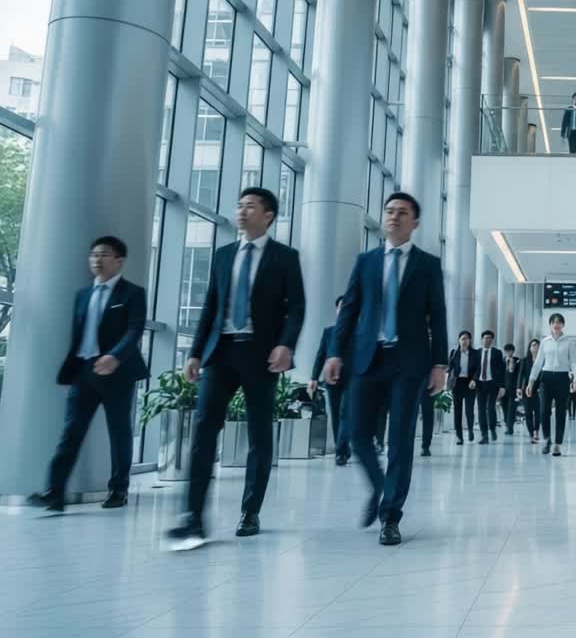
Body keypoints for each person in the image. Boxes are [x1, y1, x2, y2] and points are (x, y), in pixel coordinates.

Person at [167, 187, 306, 550]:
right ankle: (193, 517)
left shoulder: (285, 257)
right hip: (220, 353)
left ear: (268, 215)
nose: (242, 211)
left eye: (250, 207)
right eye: (240, 206)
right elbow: (210, 307)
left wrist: (285, 344)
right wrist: (195, 353)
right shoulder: (223, 255)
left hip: (261, 355)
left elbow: (296, 308)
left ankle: (250, 511)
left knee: (259, 436)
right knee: (203, 433)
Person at [323, 192, 447, 546]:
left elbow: (438, 316)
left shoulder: (427, 264)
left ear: (415, 223)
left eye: (402, 212)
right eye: (389, 211)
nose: (394, 216)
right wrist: (335, 353)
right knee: (356, 433)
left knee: (400, 440)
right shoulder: (366, 261)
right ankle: (380, 486)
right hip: (368, 358)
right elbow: (349, 310)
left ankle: (391, 516)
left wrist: (440, 363)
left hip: (409, 362)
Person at [28, 236, 147, 512]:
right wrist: (70, 374)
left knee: (119, 432)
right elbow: (78, 337)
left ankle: (118, 490)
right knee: (71, 432)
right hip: (84, 372)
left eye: (104, 254)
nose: (97, 260)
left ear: (119, 260)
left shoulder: (132, 293)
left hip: (117, 372)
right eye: (93, 255)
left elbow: (135, 329)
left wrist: (114, 356)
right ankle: (55, 492)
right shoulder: (83, 295)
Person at [310, 297, 351, 465]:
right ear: (336, 309)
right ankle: (341, 447)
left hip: (350, 379)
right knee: (335, 414)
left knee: (345, 413)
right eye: (340, 307)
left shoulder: (357, 330)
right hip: (331, 379)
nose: (343, 310)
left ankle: (341, 451)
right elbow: (320, 356)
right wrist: (314, 377)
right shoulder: (329, 332)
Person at [527, 313, 574, 456]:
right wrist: (530, 382)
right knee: (543, 411)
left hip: (562, 378)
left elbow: (574, 362)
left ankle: (558, 444)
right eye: (554, 322)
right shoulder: (545, 342)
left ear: (562, 325)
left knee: (561, 412)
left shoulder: (568, 342)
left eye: (559, 322)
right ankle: (547, 439)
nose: (556, 325)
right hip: (546, 378)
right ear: (550, 325)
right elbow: (538, 363)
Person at [448, 331, 481, 445]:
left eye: (467, 338)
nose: (464, 341)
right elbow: (450, 367)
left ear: (470, 340)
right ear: (459, 340)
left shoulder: (475, 353)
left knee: (469, 410)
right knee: (457, 410)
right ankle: (459, 436)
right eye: (462, 338)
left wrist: (474, 380)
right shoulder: (454, 353)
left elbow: (478, 369)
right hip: (457, 384)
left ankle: (470, 429)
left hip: (470, 383)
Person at [475, 330, 506, 444]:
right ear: (482, 339)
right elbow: (475, 369)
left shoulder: (497, 353)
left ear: (492, 340)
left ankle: (492, 429)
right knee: (481, 410)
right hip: (480, 384)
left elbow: (502, 370)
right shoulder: (477, 353)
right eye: (485, 338)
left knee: (490, 407)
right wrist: (473, 380)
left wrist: (502, 386)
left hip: (492, 384)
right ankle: (484, 435)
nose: (487, 340)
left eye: (489, 338)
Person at [518, 338, 542, 442]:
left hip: (539, 390)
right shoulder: (525, 360)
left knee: (538, 411)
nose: (535, 347)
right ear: (530, 348)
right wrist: (519, 387)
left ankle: (536, 431)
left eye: (537, 345)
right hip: (527, 389)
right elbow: (521, 375)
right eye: (533, 345)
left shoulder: (543, 360)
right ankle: (531, 433)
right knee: (528, 412)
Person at [501, 343, 521, 435]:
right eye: (507, 351)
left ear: (513, 351)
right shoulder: (502, 361)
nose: (509, 353)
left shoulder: (518, 361)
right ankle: (507, 425)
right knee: (504, 407)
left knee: (511, 409)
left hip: (514, 389)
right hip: (503, 389)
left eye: (510, 351)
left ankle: (510, 427)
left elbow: (520, 374)